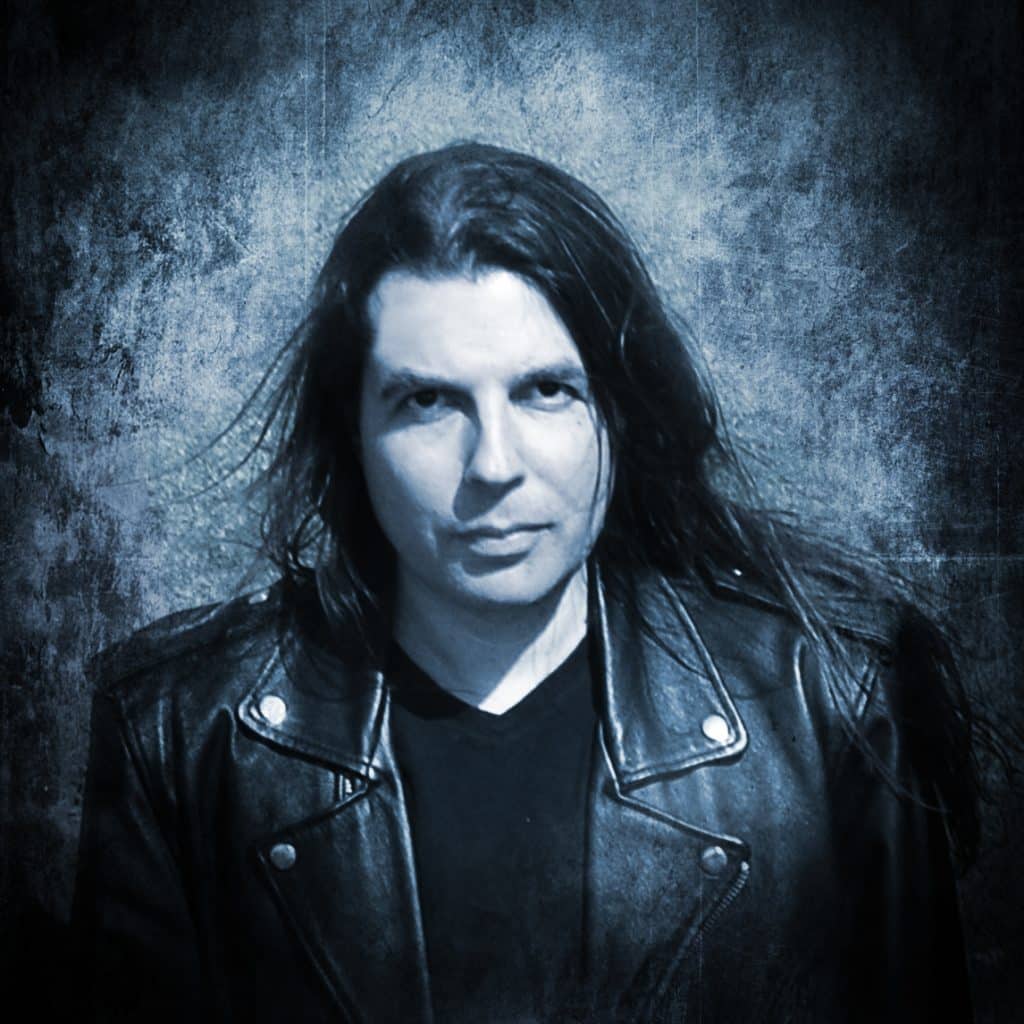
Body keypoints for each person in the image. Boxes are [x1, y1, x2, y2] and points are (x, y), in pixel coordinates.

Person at [73, 142, 978, 1023]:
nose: (493, 465)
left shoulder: (826, 704)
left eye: (545, 391)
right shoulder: (181, 735)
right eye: (429, 401)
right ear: (354, 431)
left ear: (617, 411)